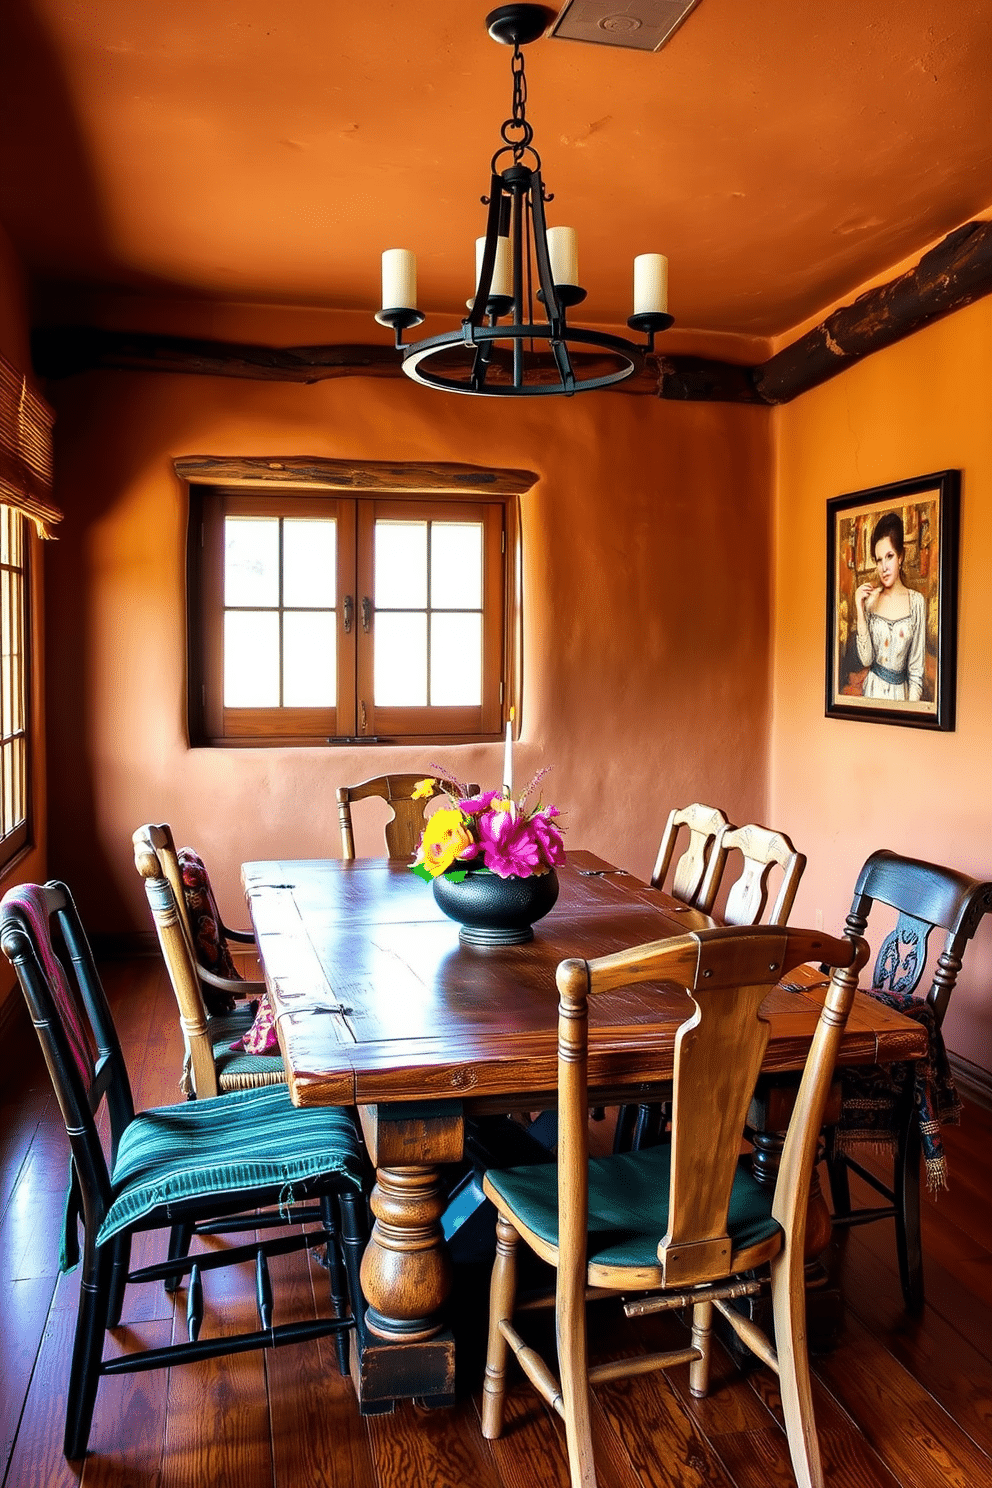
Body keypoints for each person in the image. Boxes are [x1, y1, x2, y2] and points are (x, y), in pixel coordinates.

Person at [854, 511, 925, 701]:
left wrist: (911, 712)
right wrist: (860, 610)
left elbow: (916, 671)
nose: (884, 567)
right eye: (878, 560)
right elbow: (866, 659)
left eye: (889, 556)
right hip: (872, 692)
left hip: (900, 696)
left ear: (900, 556)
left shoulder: (916, 602)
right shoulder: (871, 601)